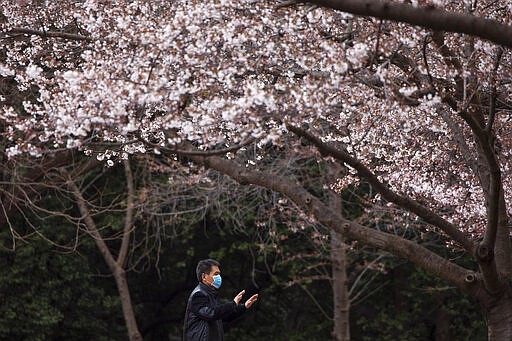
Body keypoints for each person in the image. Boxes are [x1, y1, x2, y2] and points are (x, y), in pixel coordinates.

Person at [183, 259, 259, 341]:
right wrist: (233, 303)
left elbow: (224, 316)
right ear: (204, 277)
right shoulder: (198, 295)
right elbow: (212, 314)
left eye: (219, 274)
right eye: (216, 274)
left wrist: (244, 307)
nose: (219, 277)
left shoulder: (210, 295)